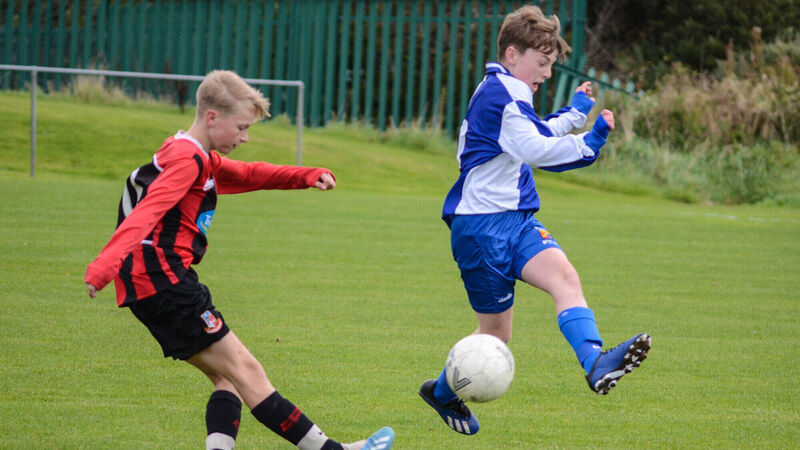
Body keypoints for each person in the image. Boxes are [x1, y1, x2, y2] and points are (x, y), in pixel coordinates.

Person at [85, 70, 394, 450]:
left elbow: (248, 174)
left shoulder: (192, 154)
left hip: (153, 284)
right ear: (212, 117)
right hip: (164, 281)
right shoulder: (187, 159)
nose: (245, 137)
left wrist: (306, 175)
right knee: (248, 372)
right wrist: (103, 267)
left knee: (227, 379)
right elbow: (147, 213)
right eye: (242, 127)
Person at [418, 6, 651, 435]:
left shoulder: (507, 91)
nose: (546, 72)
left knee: (565, 277)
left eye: (551, 64)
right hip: (481, 229)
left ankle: (596, 362)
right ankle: (442, 392)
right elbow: (536, 150)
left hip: (517, 220)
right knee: (495, 336)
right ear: (512, 54)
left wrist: (574, 114)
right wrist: (588, 143)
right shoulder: (503, 95)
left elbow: (533, 133)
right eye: (542, 62)